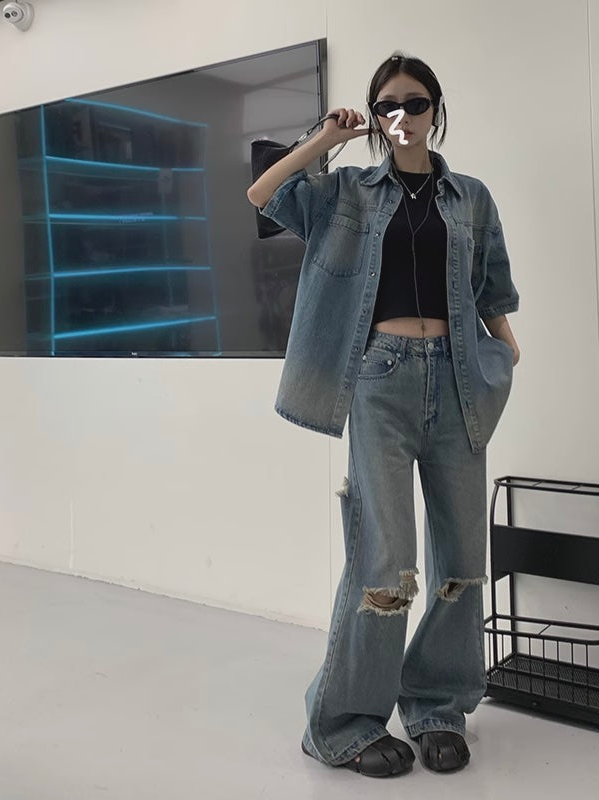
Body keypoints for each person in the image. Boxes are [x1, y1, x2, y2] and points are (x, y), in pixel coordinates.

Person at [246, 52, 520, 778]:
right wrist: (325, 140)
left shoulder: (471, 198)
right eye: (388, 106)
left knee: (462, 558)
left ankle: (438, 708)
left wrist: (508, 352)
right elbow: (263, 194)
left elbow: (492, 287)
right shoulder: (346, 193)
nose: (403, 116)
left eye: (416, 103)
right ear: (375, 116)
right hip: (381, 379)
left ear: (436, 110)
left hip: (460, 379)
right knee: (385, 557)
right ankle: (344, 724)